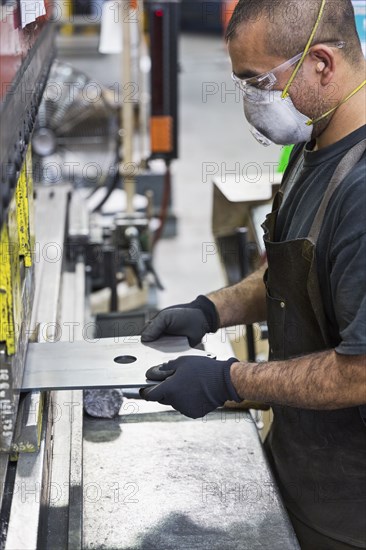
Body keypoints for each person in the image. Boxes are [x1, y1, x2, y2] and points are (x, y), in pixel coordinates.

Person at [140, 0, 366, 547]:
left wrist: (229, 380)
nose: (251, 101)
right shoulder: (315, 145)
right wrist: (212, 308)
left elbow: (359, 372)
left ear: (320, 64)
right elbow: (296, 275)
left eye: (257, 81)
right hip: (302, 466)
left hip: (350, 512)